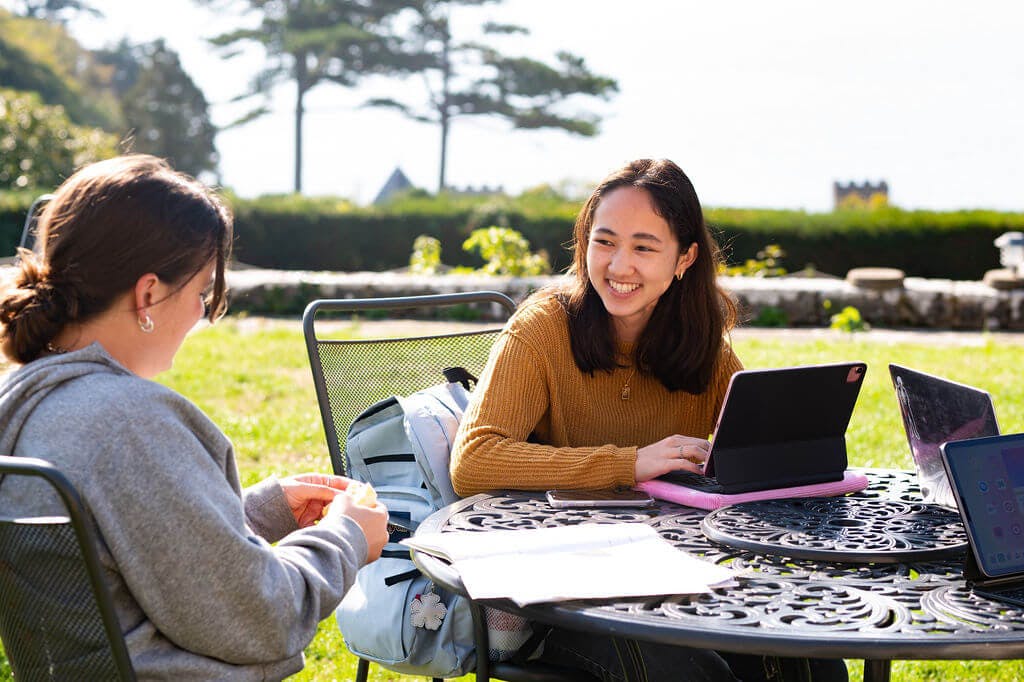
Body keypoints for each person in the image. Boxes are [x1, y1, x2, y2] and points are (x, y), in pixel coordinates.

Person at [450, 158, 847, 682]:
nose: (618, 266)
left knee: (814, 670)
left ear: (684, 258)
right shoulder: (543, 329)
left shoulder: (703, 346)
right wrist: (630, 463)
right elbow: (474, 461)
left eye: (643, 246)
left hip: (673, 573)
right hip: (559, 589)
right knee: (696, 675)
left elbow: (751, 448)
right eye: (604, 241)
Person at [0, 155, 388, 680]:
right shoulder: (126, 424)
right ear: (149, 293)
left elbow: (131, 548)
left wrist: (264, 509)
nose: (202, 314)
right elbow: (261, 617)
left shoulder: (29, 403)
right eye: (203, 291)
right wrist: (346, 537)